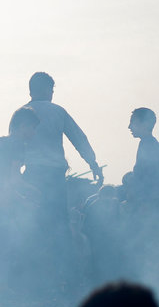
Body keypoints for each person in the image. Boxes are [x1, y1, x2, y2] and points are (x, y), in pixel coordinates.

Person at [22, 72, 102, 217]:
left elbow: (14, 144)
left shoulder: (21, 113)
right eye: (52, 91)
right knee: (57, 218)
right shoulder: (58, 111)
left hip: (32, 173)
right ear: (47, 90)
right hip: (55, 176)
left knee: (32, 219)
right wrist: (93, 163)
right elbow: (79, 139)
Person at [127, 107, 159, 206]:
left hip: (147, 203)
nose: (129, 126)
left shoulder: (149, 146)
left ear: (145, 124)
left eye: (132, 122)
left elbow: (147, 178)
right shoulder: (147, 143)